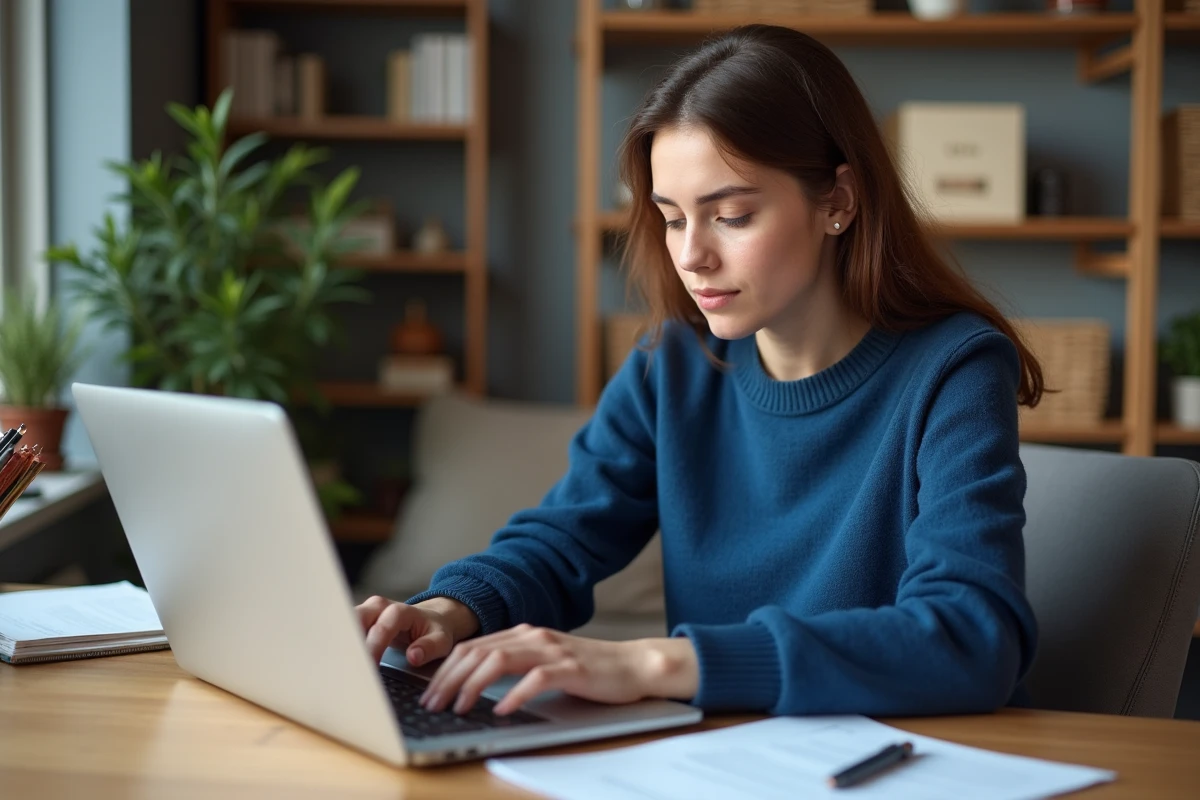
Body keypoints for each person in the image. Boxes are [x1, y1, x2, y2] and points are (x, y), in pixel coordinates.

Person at [357, 24, 1042, 720]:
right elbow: (562, 538)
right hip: (726, 759)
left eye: (732, 216)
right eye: (672, 218)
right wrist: (450, 609)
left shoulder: (954, 368)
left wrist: (654, 660)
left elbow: (970, 638)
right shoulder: (674, 363)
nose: (691, 257)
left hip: (896, 761)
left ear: (837, 200)